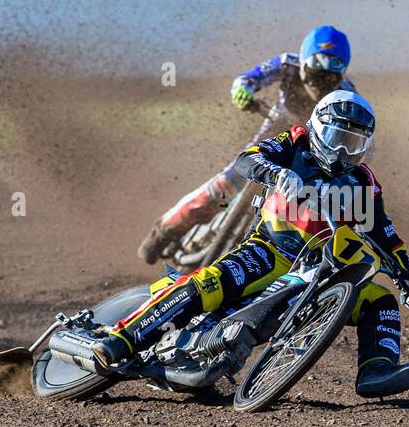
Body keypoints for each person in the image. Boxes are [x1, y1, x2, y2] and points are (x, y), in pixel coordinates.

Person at [96, 90, 409, 399]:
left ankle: (377, 370)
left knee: (381, 300)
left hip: (322, 268)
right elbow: (248, 158)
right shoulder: (296, 143)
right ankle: (121, 340)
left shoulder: (363, 181)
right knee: (207, 284)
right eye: (337, 138)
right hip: (268, 250)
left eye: (353, 142)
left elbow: (385, 235)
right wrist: (276, 174)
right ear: (317, 128)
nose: (343, 150)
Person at [138, 25, 358, 263]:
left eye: (330, 77)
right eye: (315, 73)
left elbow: (360, 134)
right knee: (222, 188)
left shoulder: (347, 94)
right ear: (303, 63)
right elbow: (248, 79)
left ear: (342, 75)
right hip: (268, 140)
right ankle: (162, 232)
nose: (320, 83)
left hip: (307, 155)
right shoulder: (287, 64)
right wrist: (243, 92)